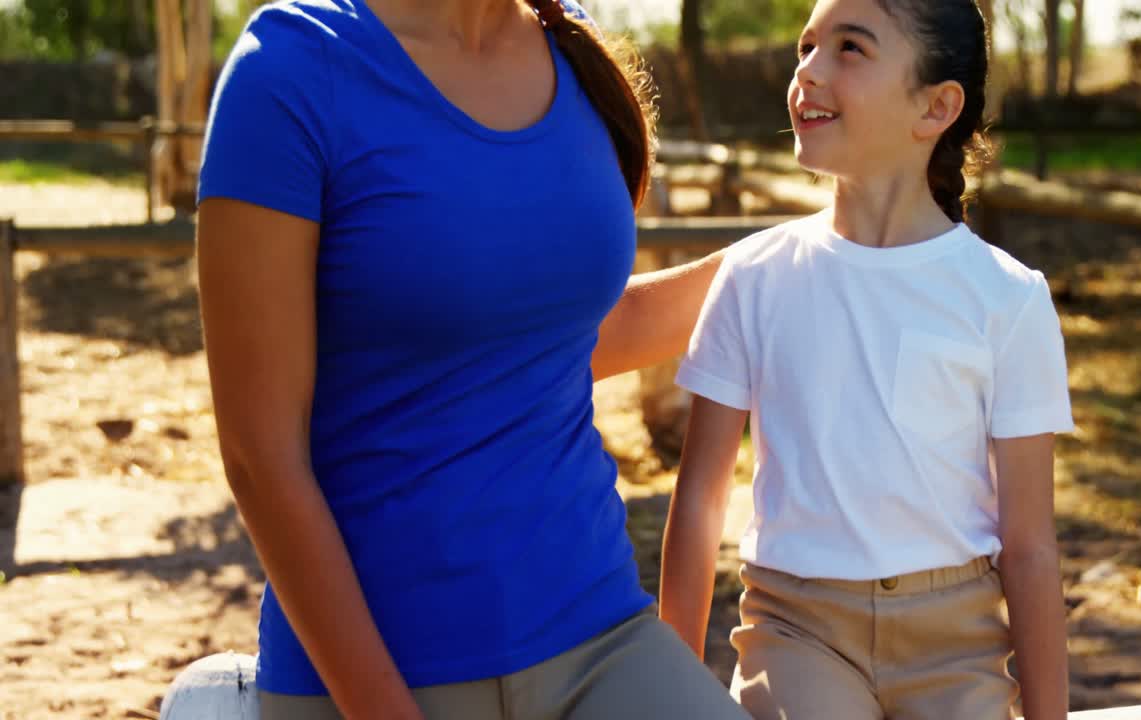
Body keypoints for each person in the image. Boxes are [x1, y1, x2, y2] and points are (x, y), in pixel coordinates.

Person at [195, 0, 751, 718]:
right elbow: (259, 455)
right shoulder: (293, 67)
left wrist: (792, 262)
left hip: (600, 635)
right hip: (375, 671)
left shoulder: (571, 48)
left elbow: (554, 340)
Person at [658, 1, 1074, 719]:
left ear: (936, 107)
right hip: (795, 631)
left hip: (959, 646)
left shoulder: (1008, 299)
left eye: (849, 49)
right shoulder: (755, 278)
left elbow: (1030, 545)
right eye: (807, 45)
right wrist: (671, 696)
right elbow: (697, 506)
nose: (807, 72)